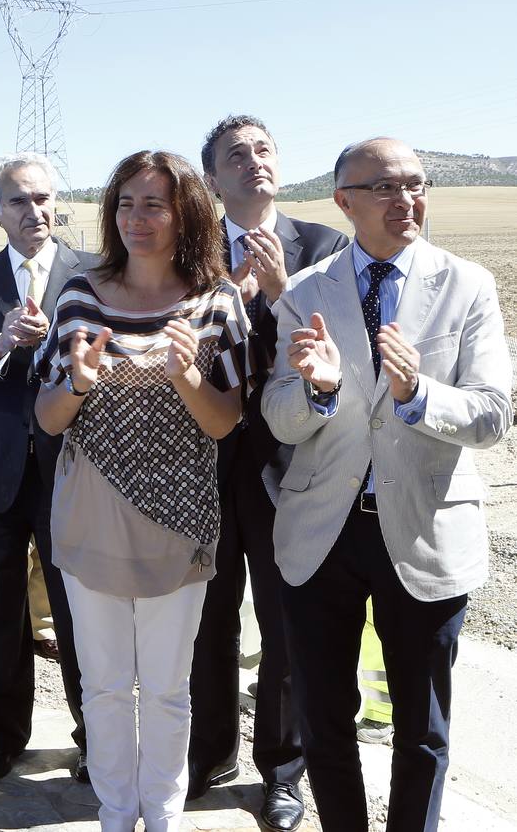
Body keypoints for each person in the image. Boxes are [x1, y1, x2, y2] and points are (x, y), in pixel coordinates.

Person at [262, 137, 510, 832]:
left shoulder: (467, 286)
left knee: (422, 727)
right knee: (324, 718)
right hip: (322, 535)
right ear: (343, 202)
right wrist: (320, 390)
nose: (406, 200)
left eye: (415, 184)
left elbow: (494, 414)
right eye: (384, 188)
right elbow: (278, 421)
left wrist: (417, 394)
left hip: (425, 529)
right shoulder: (308, 293)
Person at [35, 150, 248, 832]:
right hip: (89, 512)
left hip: (180, 520)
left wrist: (187, 376)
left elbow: (223, 423)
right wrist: (77, 383)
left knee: (164, 688)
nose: (137, 218)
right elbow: (46, 417)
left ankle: (162, 816)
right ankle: (115, 815)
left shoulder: (216, 301)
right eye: (126, 203)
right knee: (101, 686)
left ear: (184, 211)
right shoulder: (78, 294)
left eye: (154, 204)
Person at [186, 115, 346, 830]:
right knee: (207, 616)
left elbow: (336, 353)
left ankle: (282, 772)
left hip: (293, 466)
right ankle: (210, 750)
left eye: (263, 150)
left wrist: (282, 299)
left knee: (286, 623)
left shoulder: (324, 248)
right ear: (212, 178)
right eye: (235, 155)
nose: (254, 162)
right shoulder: (191, 252)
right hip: (202, 462)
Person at [0, 151, 98, 782]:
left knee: (78, 611)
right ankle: (5, 736)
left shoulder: (94, 274)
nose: (35, 211)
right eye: (19, 201)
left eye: (44, 198)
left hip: (72, 473)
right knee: (0, 611)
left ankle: (93, 736)